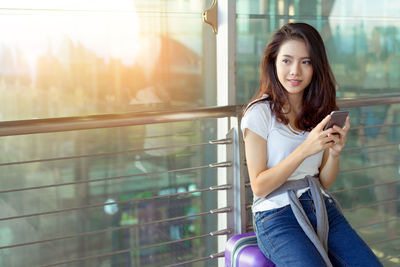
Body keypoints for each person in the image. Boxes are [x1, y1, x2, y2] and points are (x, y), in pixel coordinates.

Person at [241, 23, 382, 266]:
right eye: (287, 60)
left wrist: (335, 153)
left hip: (320, 206)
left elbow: (325, 181)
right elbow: (259, 186)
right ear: (273, 63)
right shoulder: (259, 113)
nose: (295, 71)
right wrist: (306, 148)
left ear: (316, 67)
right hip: (275, 216)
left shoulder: (319, 111)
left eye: (305, 62)